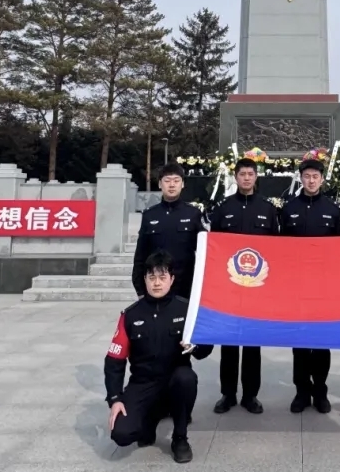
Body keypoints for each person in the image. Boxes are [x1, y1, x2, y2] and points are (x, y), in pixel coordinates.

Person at [105, 250, 213, 464]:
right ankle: (151, 418)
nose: (157, 283)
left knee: (186, 378)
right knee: (122, 434)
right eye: (151, 277)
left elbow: (205, 350)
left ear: (171, 279)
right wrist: (115, 399)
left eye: (162, 277)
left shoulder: (186, 310)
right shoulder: (131, 315)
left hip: (175, 379)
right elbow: (114, 361)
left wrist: (194, 347)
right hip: (142, 383)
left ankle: (180, 437)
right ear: (144, 279)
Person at [207, 157, 280, 415]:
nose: (246, 178)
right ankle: (227, 394)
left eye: (250, 173)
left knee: (251, 343)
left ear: (256, 176)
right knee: (228, 343)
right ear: (235, 177)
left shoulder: (269, 210)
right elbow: (214, 248)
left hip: (256, 289)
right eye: (242, 174)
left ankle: (250, 395)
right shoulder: (223, 208)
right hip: (229, 288)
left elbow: (276, 250)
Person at [278, 157, 340, 414]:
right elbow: (280, 247)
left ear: (322, 179)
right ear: (301, 179)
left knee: (322, 341)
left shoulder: (332, 209)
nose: (312, 180)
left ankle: (321, 391)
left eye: (316, 176)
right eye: (307, 176)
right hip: (297, 287)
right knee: (301, 342)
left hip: (323, 287)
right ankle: (302, 391)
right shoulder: (289, 208)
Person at [132, 163, 205, 300]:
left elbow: (204, 251)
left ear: (182, 184)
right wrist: (141, 290)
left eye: (176, 181)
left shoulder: (193, 214)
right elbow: (140, 255)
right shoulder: (149, 215)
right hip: (157, 286)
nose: (172, 185)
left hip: (186, 287)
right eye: (167, 181)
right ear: (160, 184)